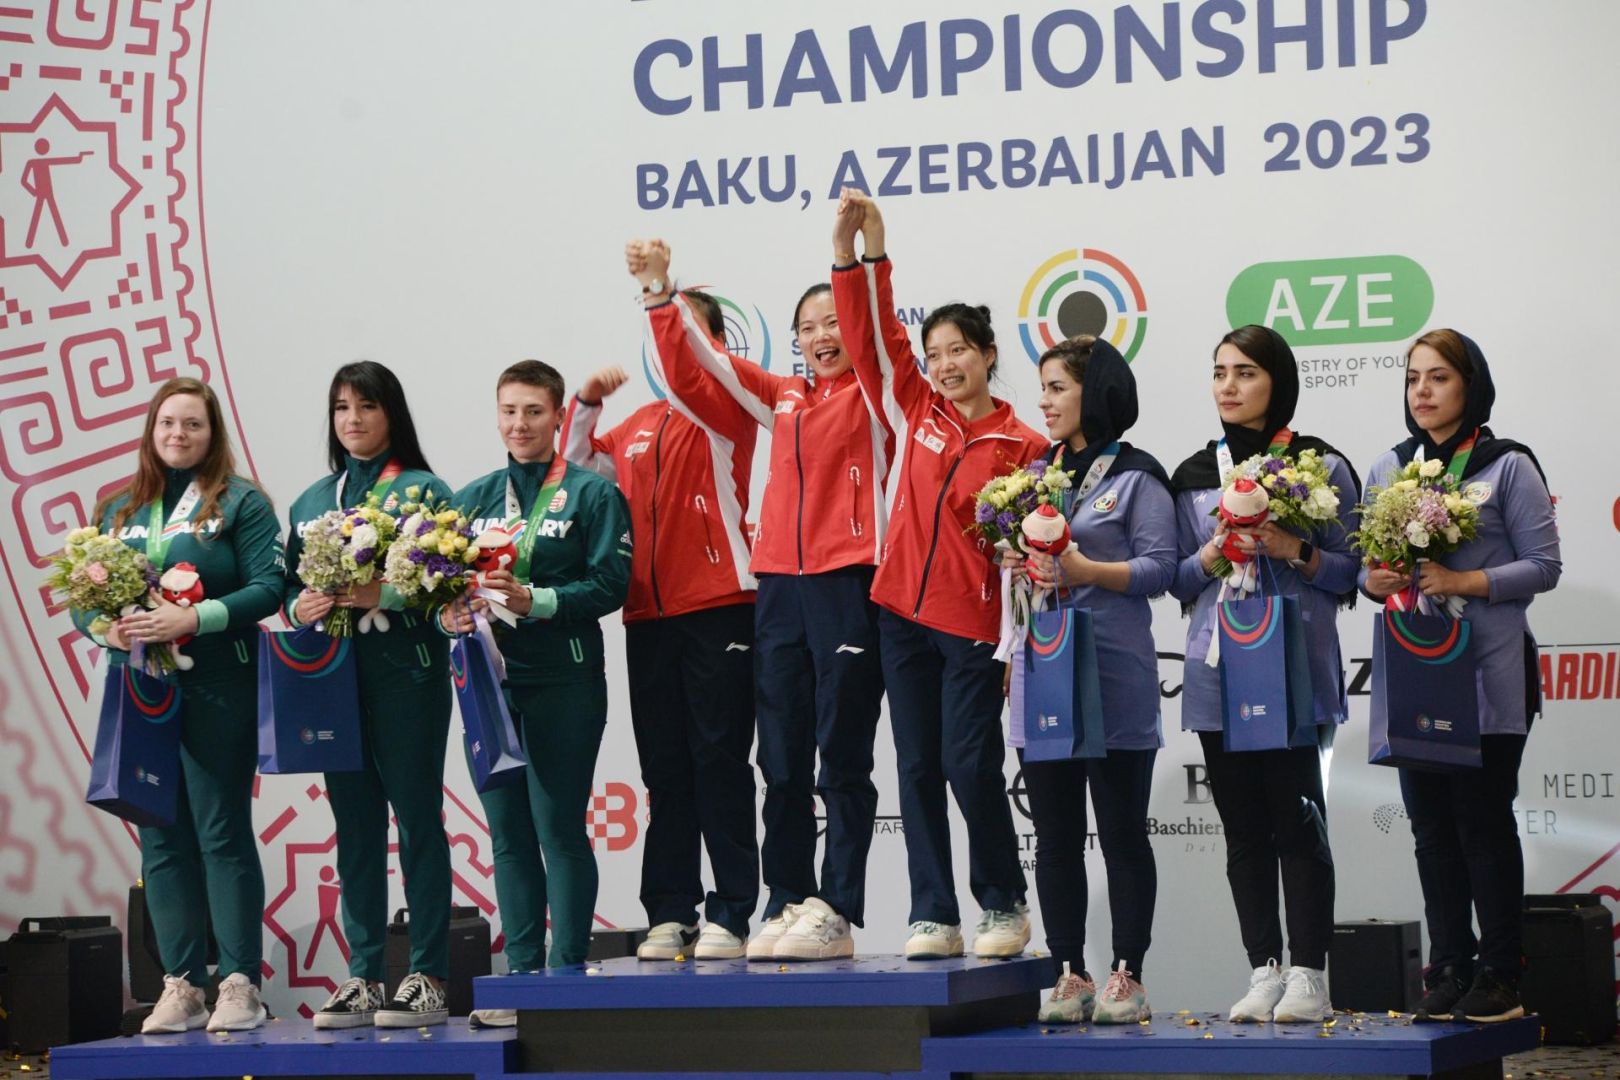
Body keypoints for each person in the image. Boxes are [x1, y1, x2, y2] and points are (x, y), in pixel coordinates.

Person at [626, 239, 891, 961]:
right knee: (780, 760)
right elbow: (699, 366)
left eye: (834, 321)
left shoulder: (876, 397)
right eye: (808, 326)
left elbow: (878, 337)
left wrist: (855, 263)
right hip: (777, 586)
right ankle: (786, 897)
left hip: (847, 582)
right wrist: (659, 297)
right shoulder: (782, 398)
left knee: (840, 757)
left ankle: (836, 906)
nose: (821, 335)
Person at [830, 190, 1046, 960]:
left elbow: (1033, 545)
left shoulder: (1024, 445)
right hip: (899, 613)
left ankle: (1003, 904)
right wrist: (860, 256)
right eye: (934, 353)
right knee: (915, 765)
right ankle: (933, 912)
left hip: (972, 626)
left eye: (959, 349)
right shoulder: (913, 406)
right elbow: (870, 338)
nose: (944, 364)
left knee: (967, 763)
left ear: (987, 354)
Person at [1361, 329, 1559, 1024]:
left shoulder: (1507, 466)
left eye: (1439, 377)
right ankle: (1448, 968)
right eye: (1413, 377)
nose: (1422, 390)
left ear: (1470, 385)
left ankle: (1502, 976)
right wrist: (1376, 578)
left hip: (1489, 677)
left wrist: (1462, 579)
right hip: (1417, 674)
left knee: (1481, 823)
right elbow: (1366, 569)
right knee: (1430, 830)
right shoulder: (1390, 467)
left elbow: (1543, 566)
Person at [72, 377, 281, 1034]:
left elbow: (269, 588)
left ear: (212, 433)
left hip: (220, 685)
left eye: (192, 424)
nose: (178, 435)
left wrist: (196, 618)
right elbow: (83, 593)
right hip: (142, 688)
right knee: (158, 838)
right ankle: (182, 983)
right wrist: (101, 628)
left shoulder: (241, 503)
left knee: (220, 832)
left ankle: (240, 981)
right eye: (168, 424)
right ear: (150, 430)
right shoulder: (118, 508)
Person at [1168, 325, 1361, 1024]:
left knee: (1298, 824)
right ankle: (1264, 968)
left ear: (1277, 381)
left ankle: (1309, 972)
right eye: (1219, 371)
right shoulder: (1192, 472)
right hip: (1218, 677)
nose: (1227, 385)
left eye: (1244, 372)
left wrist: (1291, 547)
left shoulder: (1320, 465)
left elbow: (1351, 575)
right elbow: (1177, 577)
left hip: (1294, 673)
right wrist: (1218, 552)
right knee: (1243, 830)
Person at [560, 290, 760, 963]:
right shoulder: (639, 426)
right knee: (666, 770)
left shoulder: (727, 411)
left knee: (721, 762)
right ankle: (671, 911)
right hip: (647, 615)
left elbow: (694, 369)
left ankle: (733, 910)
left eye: (690, 337)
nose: (674, 349)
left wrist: (667, 311)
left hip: (720, 607)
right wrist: (585, 404)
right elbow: (577, 471)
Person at [441, 360, 631, 1018]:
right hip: (490, 687)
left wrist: (537, 598)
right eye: (509, 412)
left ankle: (567, 978)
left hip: (565, 681)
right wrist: (448, 613)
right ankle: (521, 978)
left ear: (558, 418)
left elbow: (611, 585)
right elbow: (439, 588)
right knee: (508, 836)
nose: (519, 424)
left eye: (533, 412)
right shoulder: (470, 499)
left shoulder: (590, 494)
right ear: (496, 417)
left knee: (558, 829)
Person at [1001, 337, 1176, 1023]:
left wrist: (1086, 571)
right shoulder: (1032, 476)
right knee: (1055, 836)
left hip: (1115, 675)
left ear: (1095, 392)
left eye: (1057, 388)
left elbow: (1161, 569)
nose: (1043, 402)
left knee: (1124, 832)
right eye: (1042, 389)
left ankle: (1127, 975)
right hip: (1043, 669)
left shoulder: (1138, 476)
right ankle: (1068, 972)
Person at [284, 362, 454, 1029]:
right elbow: (281, 590)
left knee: (416, 822)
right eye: (341, 408)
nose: (352, 419)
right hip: (332, 684)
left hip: (406, 676)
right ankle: (361, 974)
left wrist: (385, 592)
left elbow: (449, 578)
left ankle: (428, 972)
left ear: (392, 414)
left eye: (366, 406)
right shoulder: (309, 502)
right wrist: (300, 606)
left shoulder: (421, 489)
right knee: (354, 831)